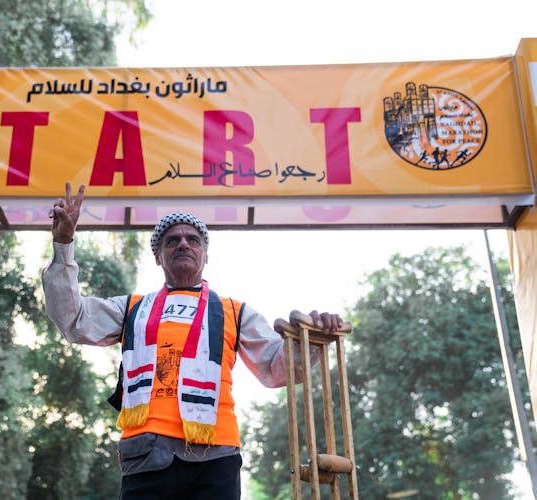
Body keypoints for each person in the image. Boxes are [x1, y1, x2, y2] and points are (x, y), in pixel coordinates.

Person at [43, 182, 345, 499]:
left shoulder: (234, 311)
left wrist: (311, 341)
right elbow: (73, 319)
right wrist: (64, 243)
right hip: (147, 454)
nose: (184, 244)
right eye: (172, 241)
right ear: (158, 257)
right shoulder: (132, 308)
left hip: (216, 455)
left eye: (193, 240)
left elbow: (277, 369)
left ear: (205, 254)